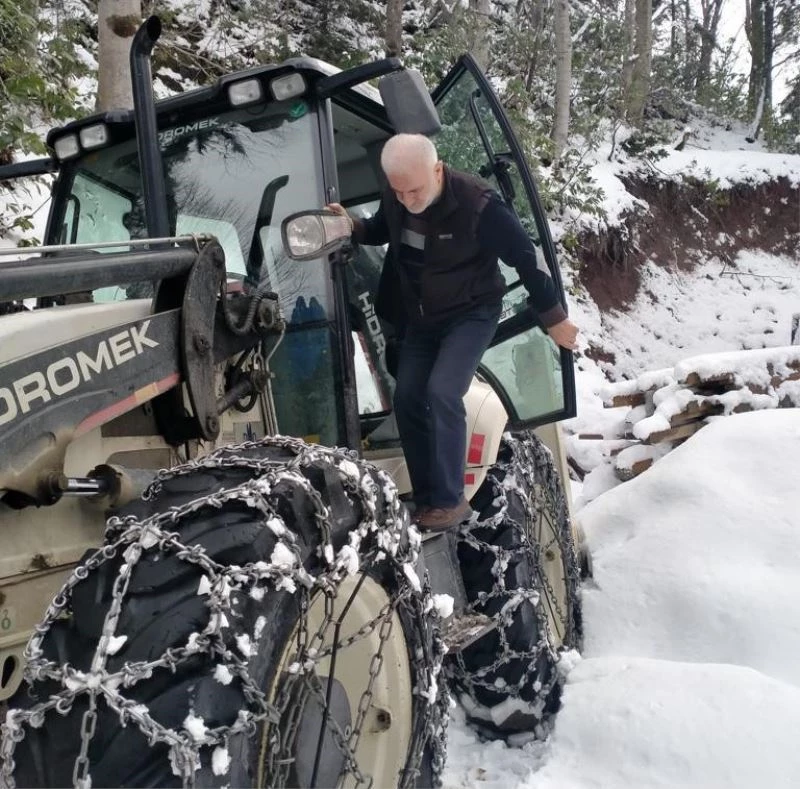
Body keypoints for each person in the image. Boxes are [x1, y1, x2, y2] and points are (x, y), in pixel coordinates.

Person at [328, 134, 579, 531]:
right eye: (399, 191)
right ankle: (427, 499)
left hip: (471, 313)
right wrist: (352, 225)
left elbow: (527, 261)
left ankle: (450, 500)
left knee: (443, 391)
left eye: (415, 190)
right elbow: (380, 229)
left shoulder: (479, 205)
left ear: (438, 170)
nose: (407, 199)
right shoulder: (399, 194)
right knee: (408, 397)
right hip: (421, 317)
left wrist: (554, 318)